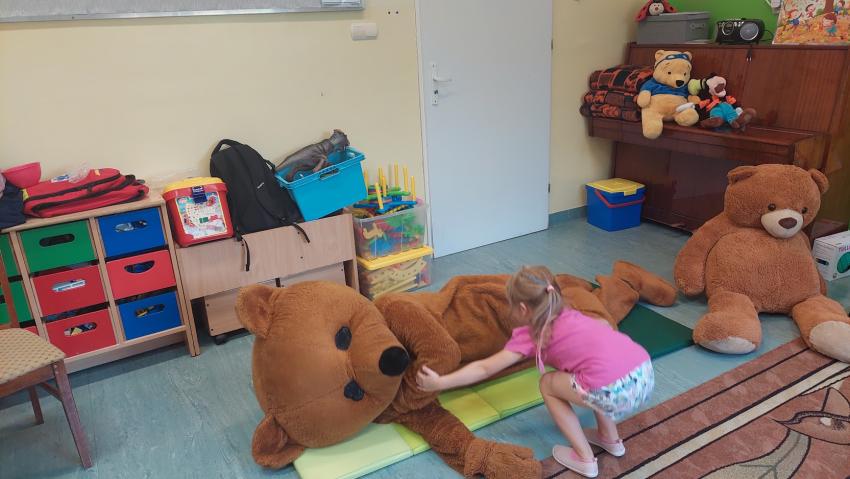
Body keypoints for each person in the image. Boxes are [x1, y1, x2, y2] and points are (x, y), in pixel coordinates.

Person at [417, 265, 654, 478]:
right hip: (643, 373)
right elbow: (603, 327)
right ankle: (610, 439)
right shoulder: (571, 312)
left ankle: (585, 458)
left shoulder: (531, 335)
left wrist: (441, 382)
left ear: (522, 308)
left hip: (612, 392)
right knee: (597, 371)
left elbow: (484, 367)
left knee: (548, 384)